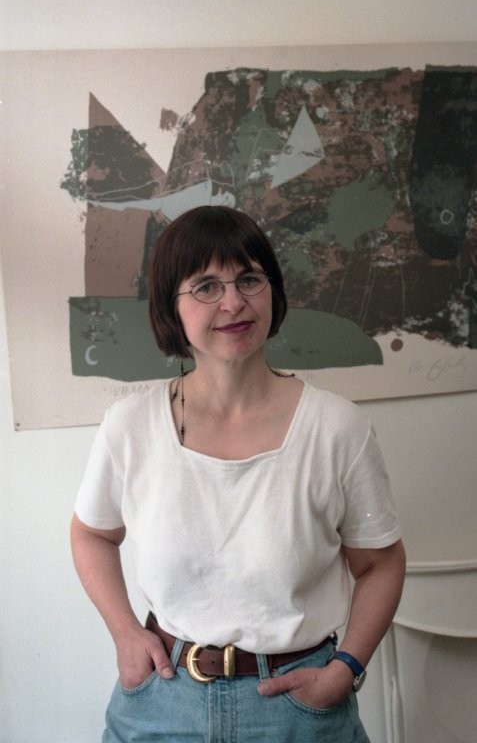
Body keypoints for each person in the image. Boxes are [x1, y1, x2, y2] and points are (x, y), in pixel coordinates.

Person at [71, 205, 405, 743]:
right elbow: (91, 533)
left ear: (273, 291)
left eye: (249, 278)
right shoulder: (130, 426)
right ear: (170, 307)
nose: (233, 302)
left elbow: (381, 563)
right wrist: (125, 633)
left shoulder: (337, 427)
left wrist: (347, 668)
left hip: (299, 710)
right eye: (206, 286)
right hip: (162, 702)